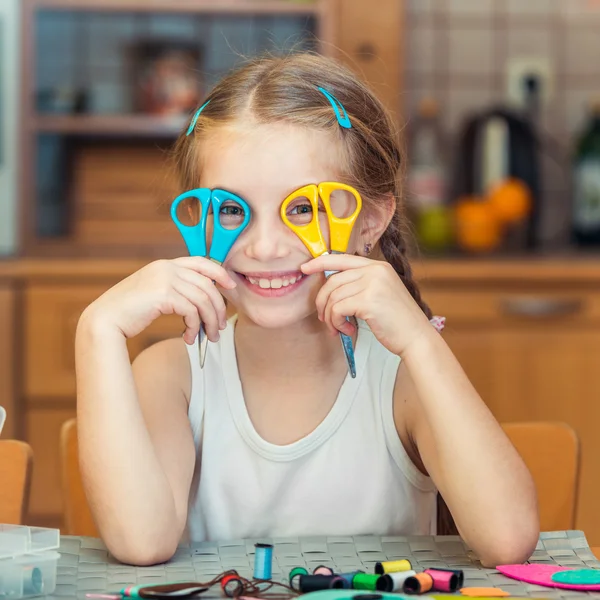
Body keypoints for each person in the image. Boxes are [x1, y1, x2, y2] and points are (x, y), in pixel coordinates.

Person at [75, 52, 539, 567]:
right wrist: (97, 330)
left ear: (371, 221)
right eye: (232, 210)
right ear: (198, 216)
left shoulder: (403, 377)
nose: (266, 247)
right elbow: (142, 542)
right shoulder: (174, 375)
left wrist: (420, 340)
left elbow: (509, 539)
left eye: (302, 209)